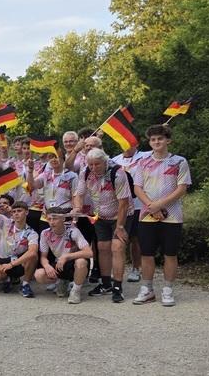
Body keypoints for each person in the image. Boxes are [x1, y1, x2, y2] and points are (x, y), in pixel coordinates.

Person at [132, 124, 191, 307]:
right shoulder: (142, 162)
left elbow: (182, 188)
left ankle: (167, 290)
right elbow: (137, 187)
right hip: (147, 214)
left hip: (172, 216)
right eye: (153, 139)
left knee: (170, 254)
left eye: (160, 138)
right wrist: (151, 206)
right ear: (149, 142)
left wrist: (160, 204)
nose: (156, 142)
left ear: (168, 140)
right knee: (147, 253)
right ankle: (147, 290)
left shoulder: (179, 162)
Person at [73, 148, 132, 303]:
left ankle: (118, 287)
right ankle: (106, 284)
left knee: (117, 247)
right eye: (90, 164)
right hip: (100, 215)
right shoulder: (85, 172)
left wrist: (120, 226)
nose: (93, 167)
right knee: (103, 247)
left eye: (97, 164)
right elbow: (79, 194)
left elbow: (124, 203)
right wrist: (77, 208)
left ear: (105, 162)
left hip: (121, 215)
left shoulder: (117, 173)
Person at [35, 208, 94, 304]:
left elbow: (89, 252)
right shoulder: (45, 233)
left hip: (74, 263)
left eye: (55, 218)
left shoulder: (73, 231)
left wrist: (67, 256)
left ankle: (76, 290)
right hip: (60, 263)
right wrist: (47, 266)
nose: (51, 222)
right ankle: (61, 281)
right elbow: (43, 257)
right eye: (49, 219)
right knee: (39, 274)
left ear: (63, 219)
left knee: (81, 262)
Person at [112, 145, 152, 283]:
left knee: (135, 239)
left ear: (137, 144)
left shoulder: (145, 156)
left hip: (139, 205)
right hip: (121, 206)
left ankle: (136, 268)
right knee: (119, 239)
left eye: (130, 143)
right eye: (123, 143)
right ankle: (117, 271)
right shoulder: (115, 160)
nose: (126, 146)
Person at [0, 202, 39, 297]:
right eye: (14, 211)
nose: (16, 214)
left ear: (26, 212)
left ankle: (25, 284)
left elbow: (32, 252)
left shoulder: (31, 233)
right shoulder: (6, 223)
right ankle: (7, 279)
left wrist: (12, 264)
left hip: (18, 261)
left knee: (33, 256)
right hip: (3, 258)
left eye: (19, 211)